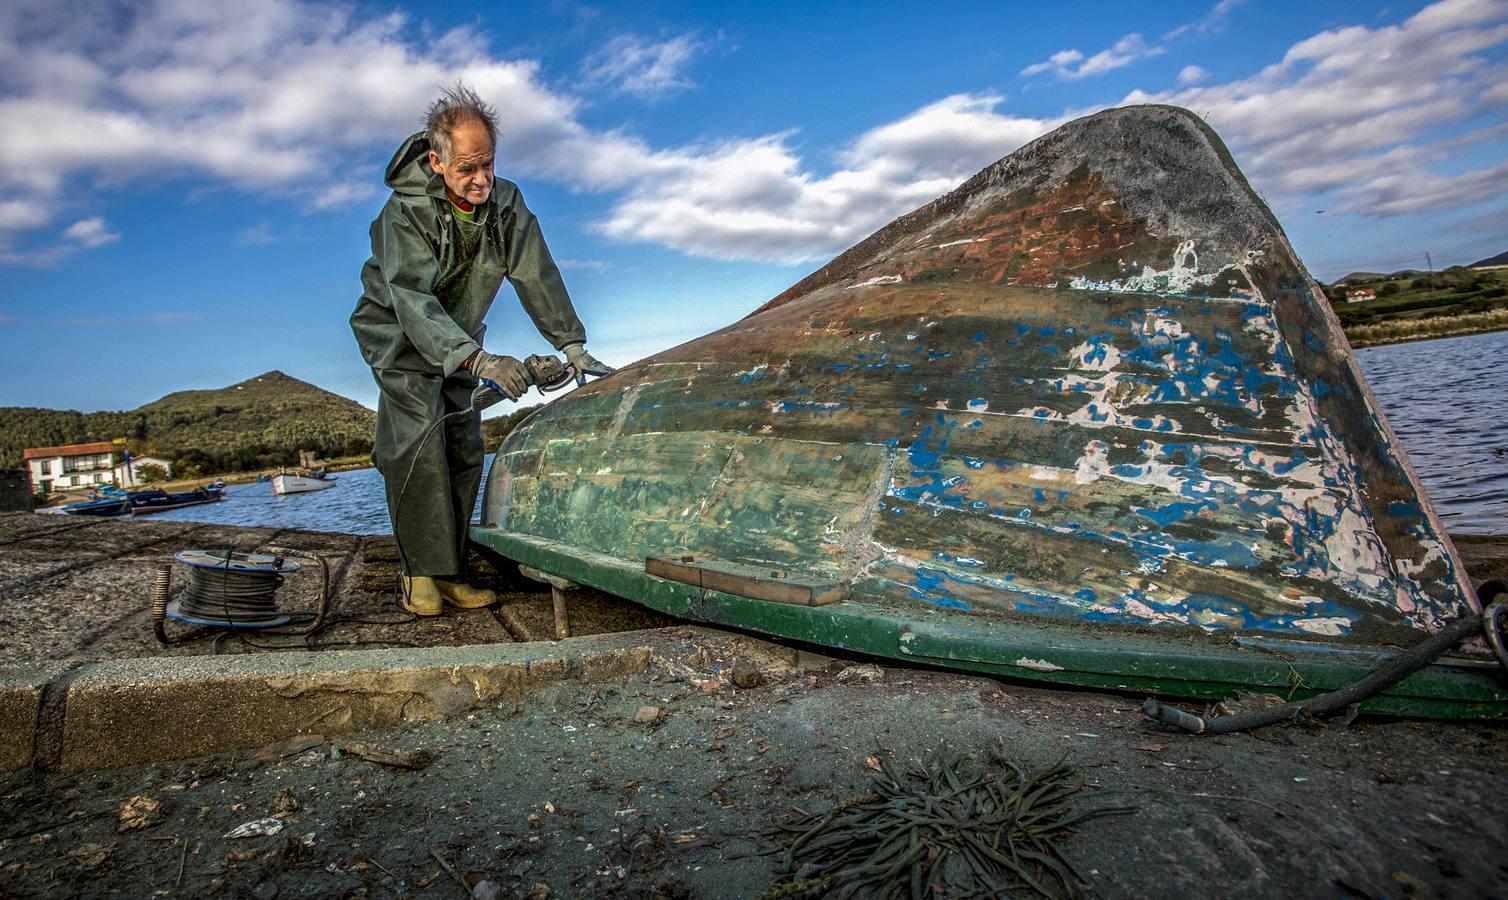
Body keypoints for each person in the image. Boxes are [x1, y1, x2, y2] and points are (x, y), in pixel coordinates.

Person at [350, 84, 612, 616]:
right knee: (418, 444)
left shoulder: (506, 203)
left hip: (462, 335)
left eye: (488, 164)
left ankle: (451, 571)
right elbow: (411, 297)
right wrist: (481, 361)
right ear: (437, 162)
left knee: (465, 446)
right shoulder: (402, 214)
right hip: (400, 334)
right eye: (468, 168)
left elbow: (535, 270)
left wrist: (571, 342)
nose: (481, 180)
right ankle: (418, 572)